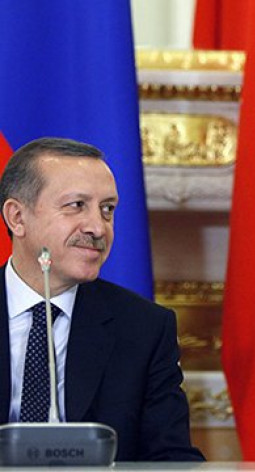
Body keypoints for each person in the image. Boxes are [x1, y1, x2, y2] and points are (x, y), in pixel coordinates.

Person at [0, 137, 205, 461]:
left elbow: (172, 458)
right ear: (17, 217)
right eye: (76, 205)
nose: (98, 228)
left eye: (107, 209)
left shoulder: (145, 328)